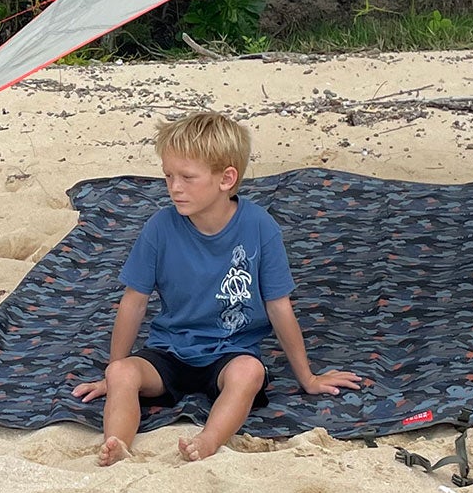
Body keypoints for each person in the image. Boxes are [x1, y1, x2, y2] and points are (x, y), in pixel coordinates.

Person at [73, 110, 360, 465]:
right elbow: (134, 302)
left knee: (249, 373)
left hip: (231, 352)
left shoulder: (260, 227)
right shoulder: (159, 228)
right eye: (168, 176)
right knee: (121, 373)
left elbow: (279, 306)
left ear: (226, 179)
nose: (174, 187)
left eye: (187, 177)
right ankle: (117, 444)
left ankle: (208, 441)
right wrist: (113, 374)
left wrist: (308, 377)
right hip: (170, 351)